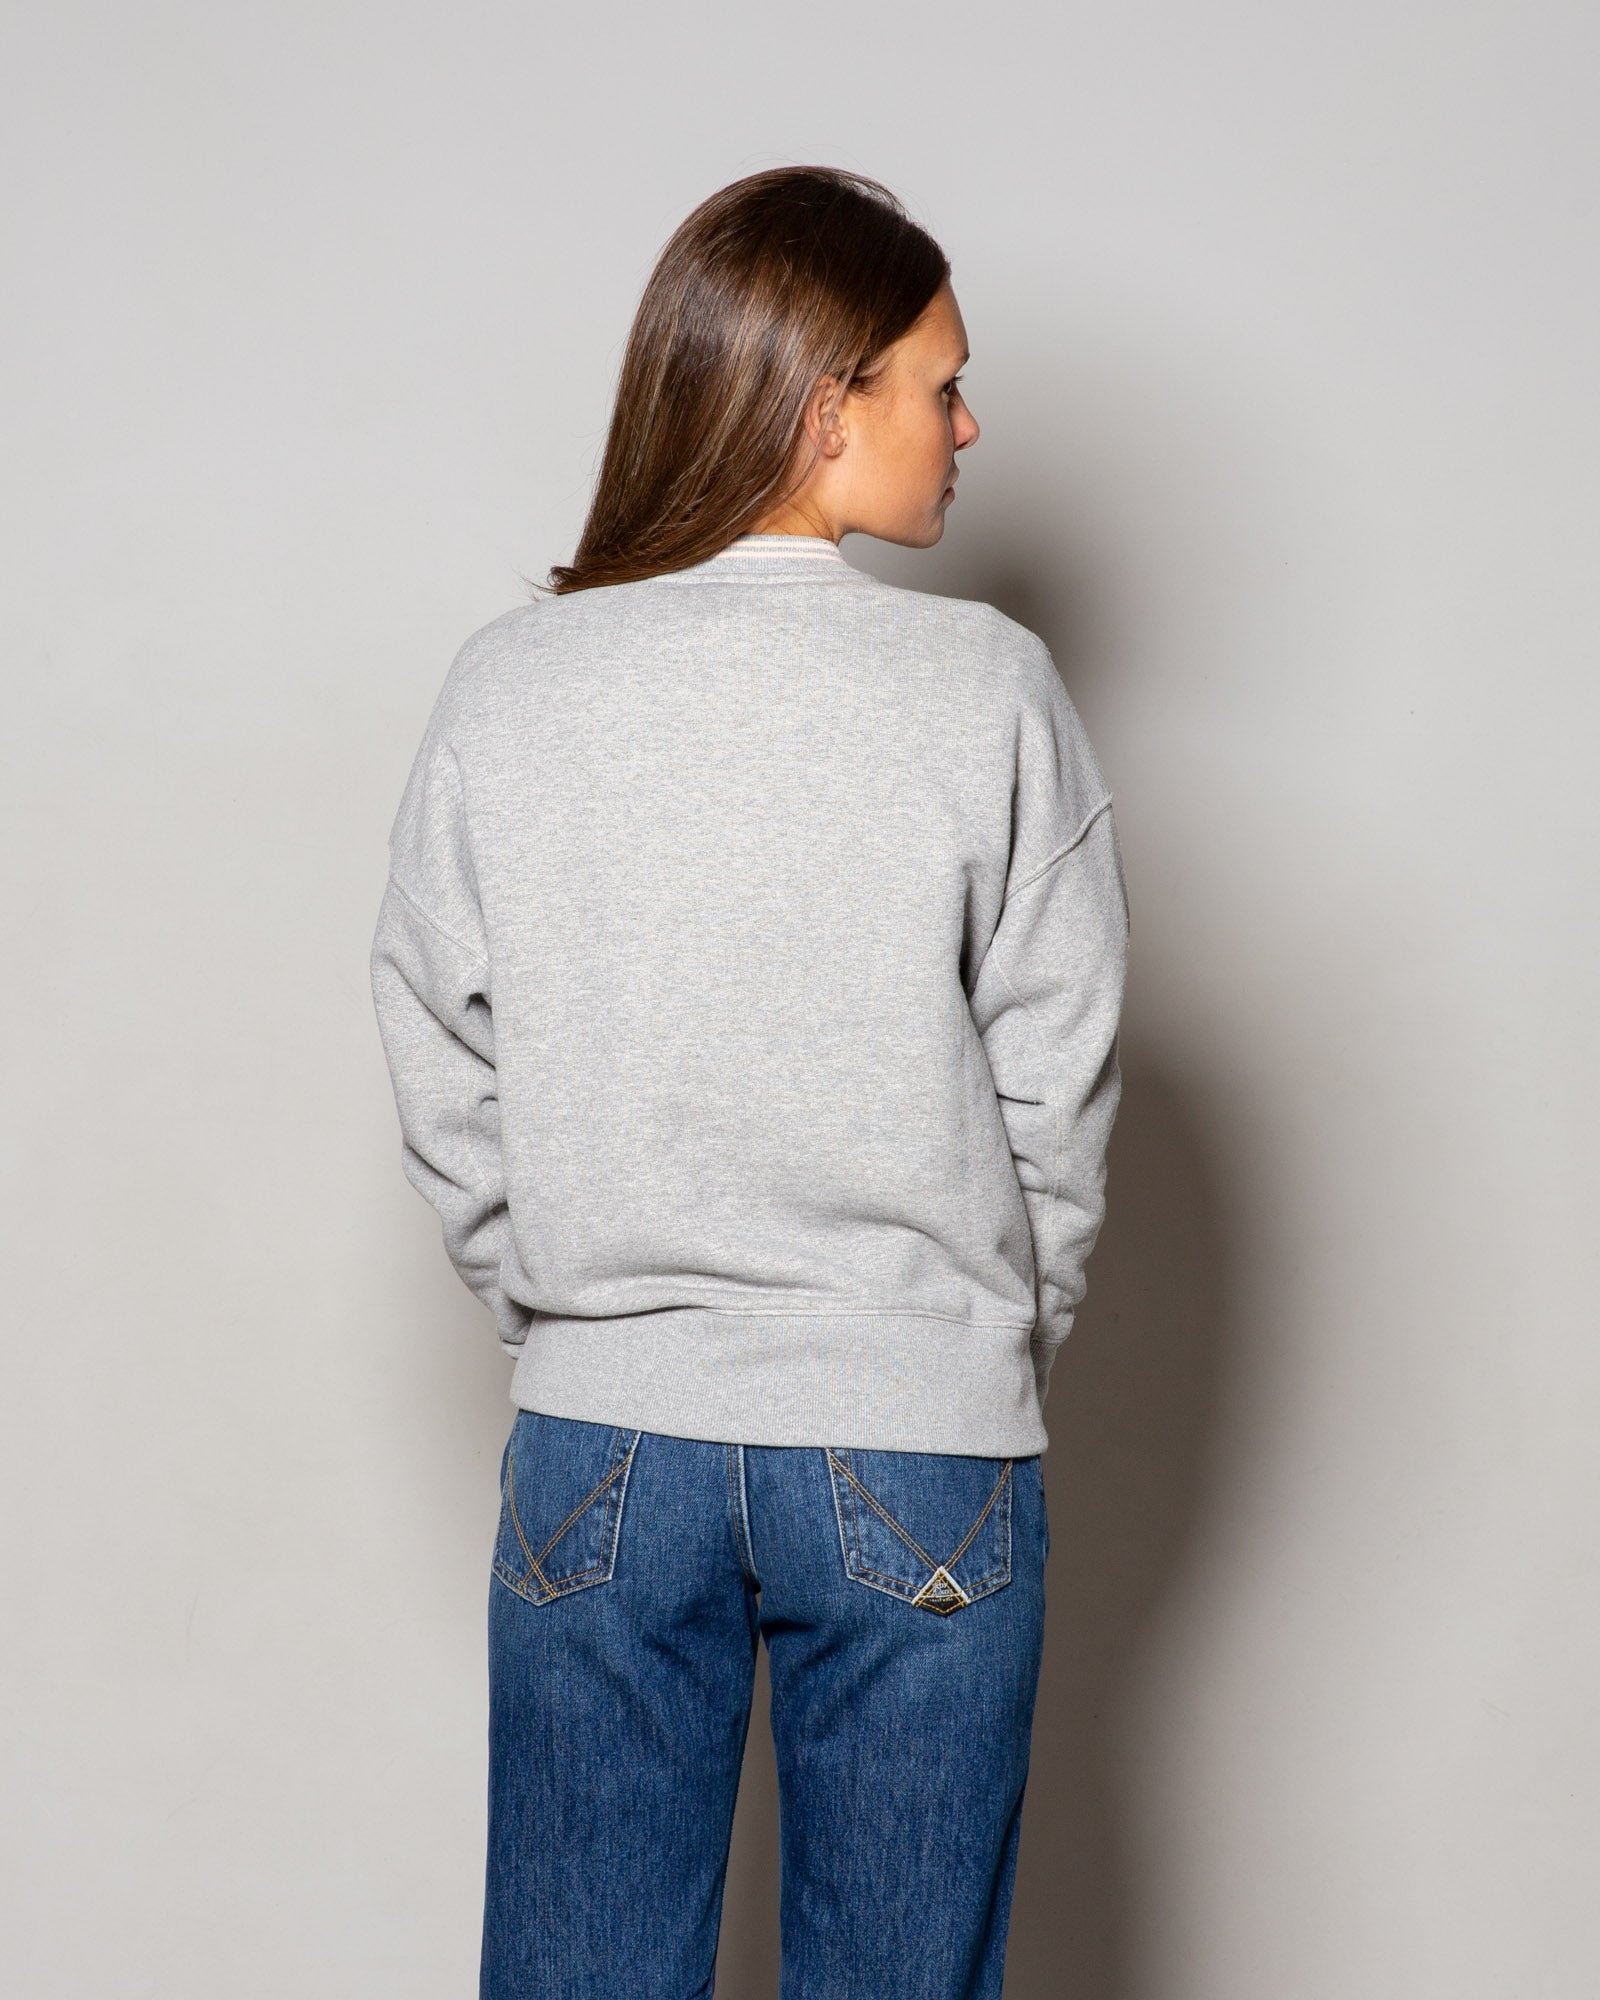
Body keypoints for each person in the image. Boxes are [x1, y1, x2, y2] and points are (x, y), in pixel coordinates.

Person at [368, 164, 1131, 2000]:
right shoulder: (987, 685)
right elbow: (1060, 1077)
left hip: (601, 1444)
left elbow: (437, 1042)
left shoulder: (515, 684)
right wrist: (969, 1340)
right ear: (821, 403)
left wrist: (572, 1310)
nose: (969, 424)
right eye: (939, 383)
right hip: (920, 1437)